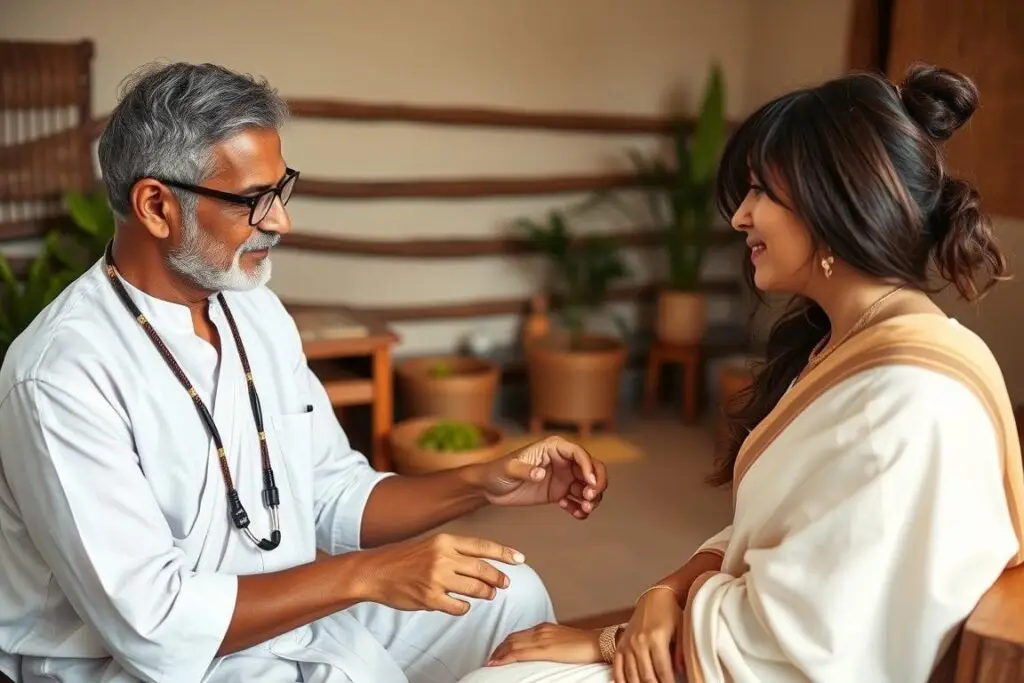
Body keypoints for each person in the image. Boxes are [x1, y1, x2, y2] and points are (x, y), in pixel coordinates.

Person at [0, 62, 609, 683]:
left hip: (289, 612)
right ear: (157, 206)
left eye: (281, 189)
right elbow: (152, 624)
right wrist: (369, 576)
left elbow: (334, 496)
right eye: (252, 200)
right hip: (135, 664)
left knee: (507, 595)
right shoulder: (61, 375)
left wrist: (483, 484)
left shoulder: (253, 310)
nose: (280, 220)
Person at [458, 63, 1024, 683]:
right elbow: (779, 535)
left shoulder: (909, 397)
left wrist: (611, 640)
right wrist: (665, 592)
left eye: (761, 192)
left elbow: (807, 643)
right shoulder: (851, 345)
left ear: (835, 202)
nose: (740, 217)